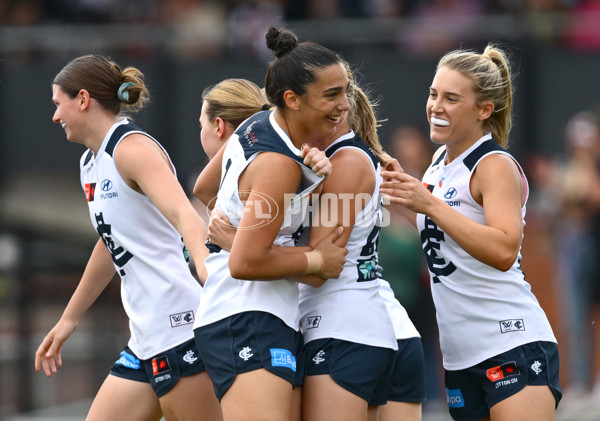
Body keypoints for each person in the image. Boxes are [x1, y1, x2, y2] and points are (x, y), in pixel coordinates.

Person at [34, 54, 222, 421]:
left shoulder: (131, 148)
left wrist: (211, 279)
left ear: (84, 99)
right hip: (146, 336)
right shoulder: (91, 162)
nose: (55, 116)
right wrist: (68, 319)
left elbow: (187, 216)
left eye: (59, 104)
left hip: (179, 327)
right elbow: (110, 241)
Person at [380, 44, 562, 421]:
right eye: (433, 94)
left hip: (510, 342)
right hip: (460, 356)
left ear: (484, 110)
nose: (436, 106)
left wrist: (428, 204)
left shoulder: (493, 164)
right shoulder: (436, 166)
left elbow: (504, 250)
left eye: (451, 98)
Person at [191, 26, 350, 421]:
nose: (344, 105)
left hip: (256, 315)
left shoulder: (257, 125)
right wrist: (314, 261)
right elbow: (244, 263)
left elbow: (204, 187)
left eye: (344, 90)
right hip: (247, 316)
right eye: (331, 95)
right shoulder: (279, 164)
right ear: (292, 99)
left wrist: (240, 233)